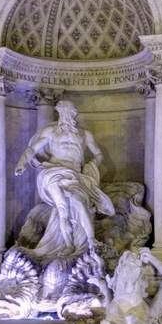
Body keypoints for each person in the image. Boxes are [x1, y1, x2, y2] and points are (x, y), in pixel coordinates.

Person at [13, 100, 113, 262]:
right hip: (53, 173)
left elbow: (98, 154)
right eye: (70, 111)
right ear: (63, 113)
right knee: (63, 209)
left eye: (74, 111)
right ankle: (68, 245)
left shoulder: (85, 134)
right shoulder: (50, 131)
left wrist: (93, 165)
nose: (73, 114)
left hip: (75, 175)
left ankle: (91, 240)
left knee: (79, 202)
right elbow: (32, 149)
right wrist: (21, 162)